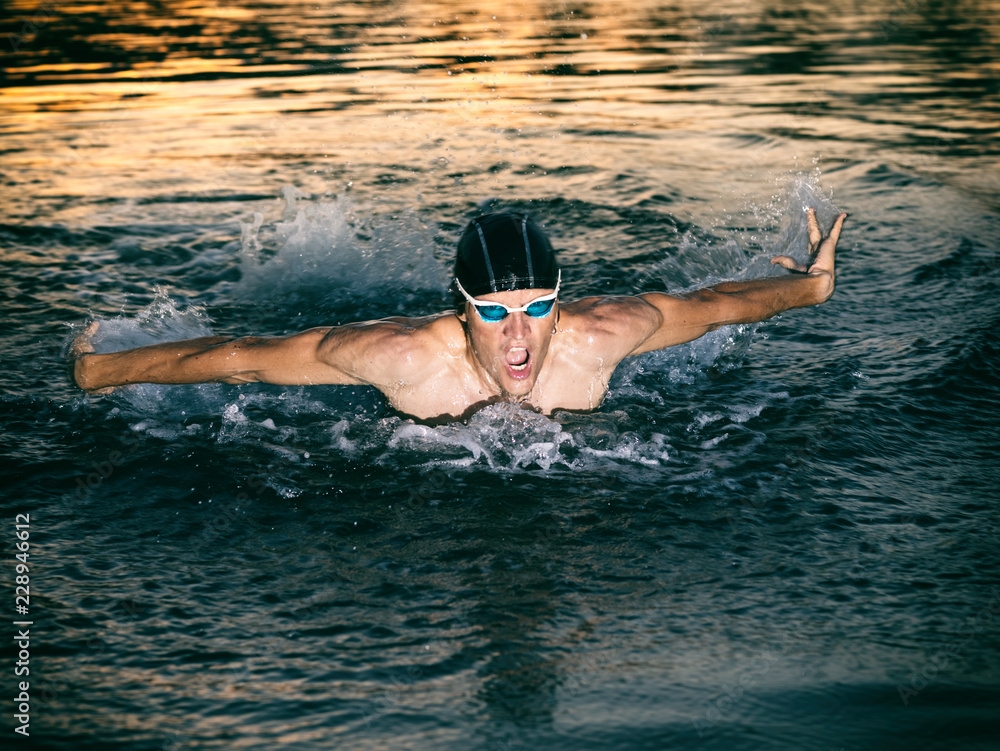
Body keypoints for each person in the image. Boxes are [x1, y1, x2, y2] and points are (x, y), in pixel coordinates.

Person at [72, 208, 847, 422]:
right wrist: (100, 369)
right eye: (495, 313)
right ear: (462, 310)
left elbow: (710, 308)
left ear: (562, 304)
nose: (519, 334)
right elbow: (244, 356)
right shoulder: (404, 358)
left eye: (537, 307)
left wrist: (810, 289)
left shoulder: (598, 336)